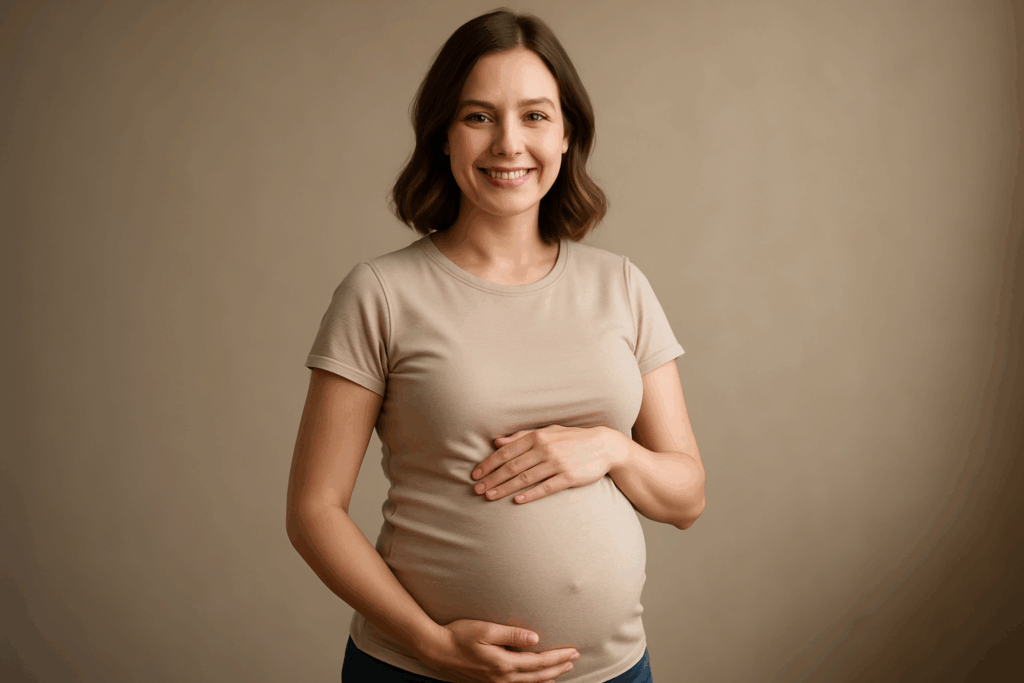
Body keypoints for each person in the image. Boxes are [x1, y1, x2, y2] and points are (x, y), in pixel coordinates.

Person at [286, 8, 705, 683]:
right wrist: (429, 641)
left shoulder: (621, 286)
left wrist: (611, 447)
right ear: (443, 138)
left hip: (612, 673)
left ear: (567, 133)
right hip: (421, 671)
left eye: (535, 116)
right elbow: (313, 511)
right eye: (478, 116)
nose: (509, 143)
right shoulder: (381, 292)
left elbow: (686, 497)